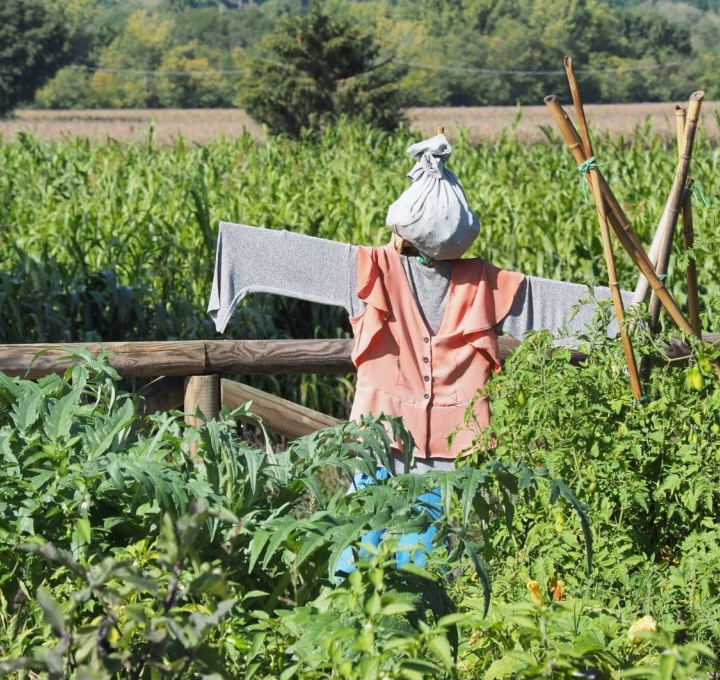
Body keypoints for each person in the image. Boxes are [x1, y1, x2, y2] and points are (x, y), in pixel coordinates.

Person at [207, 133, 628, 572]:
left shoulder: (390, 270)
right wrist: (632, 307)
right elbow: (579, 307)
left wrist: (630, 311)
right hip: (389, 449)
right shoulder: (462, 280)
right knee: (409, 567)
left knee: (377, 563)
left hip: (415, 451)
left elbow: (280, 255)